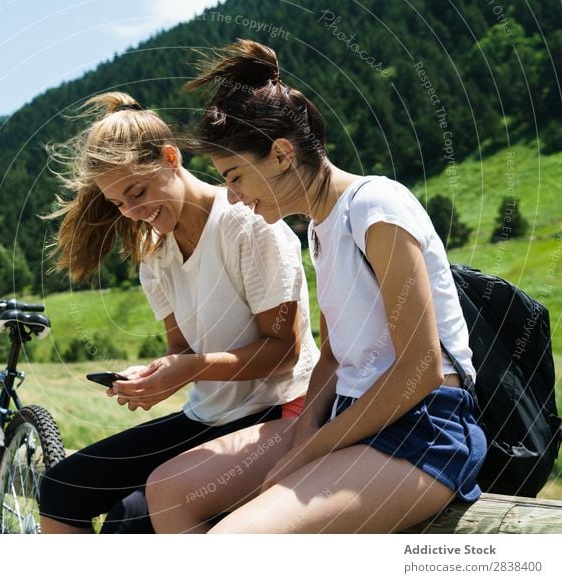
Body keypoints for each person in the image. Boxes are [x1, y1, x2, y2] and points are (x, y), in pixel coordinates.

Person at [145, 40, 487, 534]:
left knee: (233, 541)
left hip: (423, 430)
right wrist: (303, 435)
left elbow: (420, 370)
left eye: (236, 177)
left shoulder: (377, 206)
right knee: (168, 491)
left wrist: (307, 454)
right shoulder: (320, 228)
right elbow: (332, 353)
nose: (234, 198)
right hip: (351, 416)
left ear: (282, 153)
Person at [38, 91, 319, 533]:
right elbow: (183, 351)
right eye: (118, 204)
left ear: (171, 158)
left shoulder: (247, 223)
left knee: (131, 523)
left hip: (280, 408)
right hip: (208, 415)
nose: (133, 212)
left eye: (137, 192)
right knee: (63, 490)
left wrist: (184, 371)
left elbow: (284, 351)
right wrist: (153, 378)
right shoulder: (155, 252)